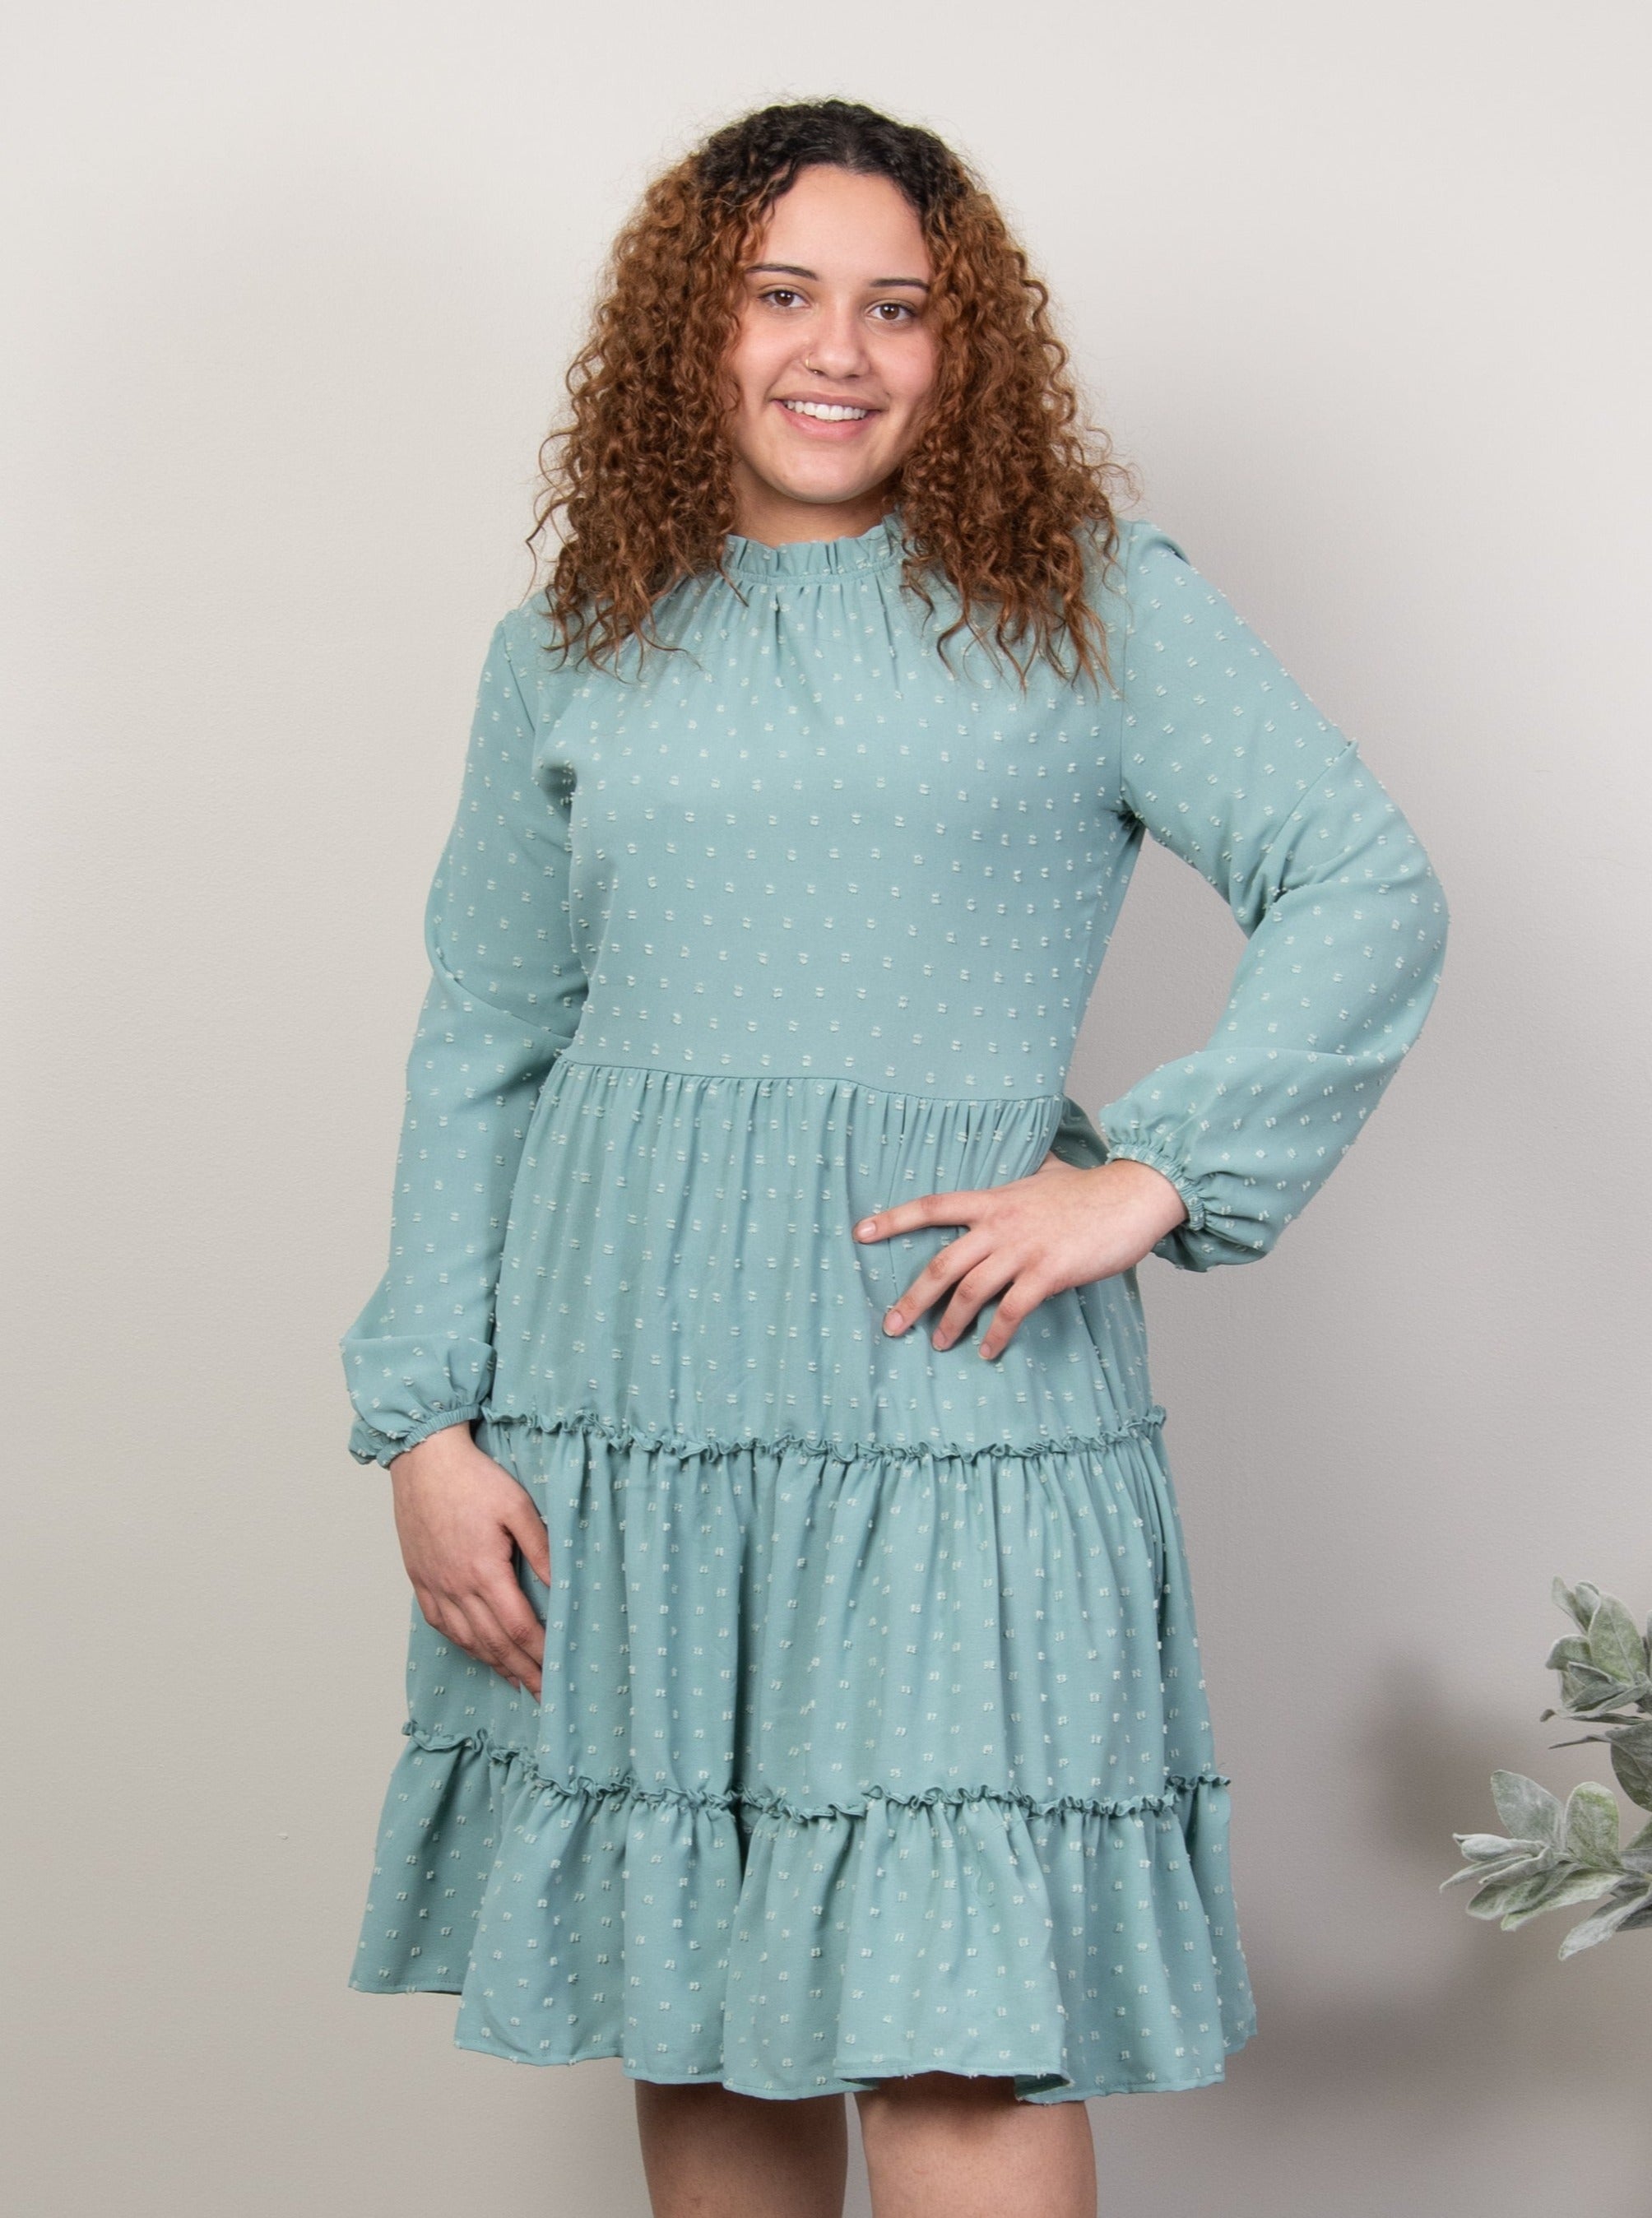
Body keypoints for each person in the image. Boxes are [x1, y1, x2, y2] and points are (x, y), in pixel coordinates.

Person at [341, 97, 1449, 2218]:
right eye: (781, 295)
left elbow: (1362, 884)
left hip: (945, 1388)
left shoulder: (1088, 604)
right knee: (705, 1995)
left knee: (959, 2020)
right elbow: (488, 1034)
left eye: (898, 307)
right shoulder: (573, 636)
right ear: (694, 329)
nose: (836, 350)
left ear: (966, 346)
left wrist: (1153, 1172)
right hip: (628, 1408)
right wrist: (426, 1423)